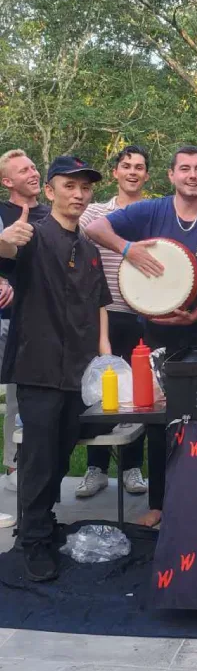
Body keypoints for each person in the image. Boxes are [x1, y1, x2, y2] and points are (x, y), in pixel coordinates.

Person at [85, 145, 197, 528]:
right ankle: (161, 504)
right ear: (170, 175)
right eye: (184, 169)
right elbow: (94, 228)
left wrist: (194, 314)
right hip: (155, 336)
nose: (192, 175)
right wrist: (129, 249)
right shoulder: (149, 211)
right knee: (160, 420)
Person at [0, 156, 112, 581]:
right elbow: (7, 251)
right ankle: (32, 540)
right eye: (69, 186)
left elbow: (99, 302)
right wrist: (4, 239)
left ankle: (43, 521)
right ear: (50, 190)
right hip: (40, 367)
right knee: (39, 460)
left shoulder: (87, 247)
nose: (78, 194)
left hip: (79, 372)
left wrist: (104, 352)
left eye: (85, 187)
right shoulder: (32, 235)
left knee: (65, 453)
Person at [76, 145, 151, 500]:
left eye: (139, 167)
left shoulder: (154, 214)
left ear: (147, 175)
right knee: (101, 393)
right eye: (126, 166)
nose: (133, 171)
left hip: (145, 317)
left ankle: (132, 467)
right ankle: (96, 468)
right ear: (116, 172)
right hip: (104, 316)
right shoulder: (94, 212)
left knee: (140, 395)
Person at [0, 150, 51, 495]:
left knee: (32, 396)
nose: (33, 173)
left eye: (33, 167)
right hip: (7, 320)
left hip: (47, 319)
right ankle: (13, 465)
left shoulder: (52, 213)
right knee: (15, 396)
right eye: (23, 170)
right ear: (7, 182)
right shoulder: (3, 213)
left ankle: (37, 462)